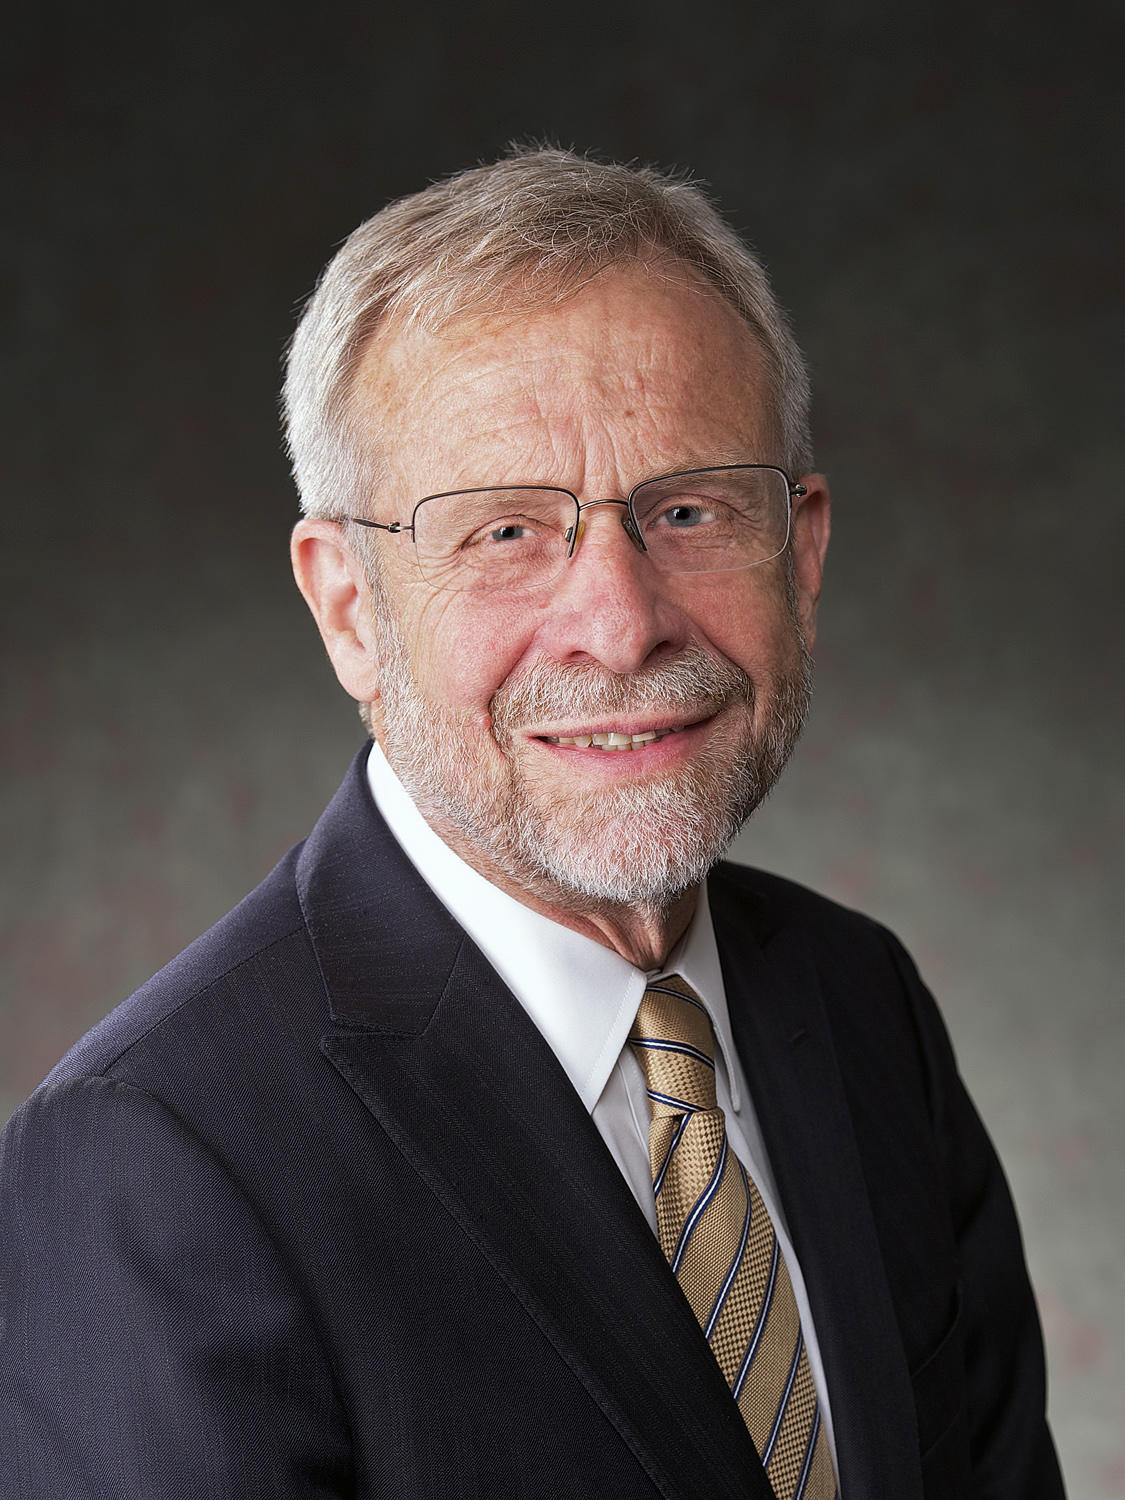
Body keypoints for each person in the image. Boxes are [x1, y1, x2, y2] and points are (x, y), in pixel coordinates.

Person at [0, 147, 1064, 1500]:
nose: (619, 622)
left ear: (798, 553)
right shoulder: (153, 1161)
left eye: (686, 510)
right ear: (348, 607)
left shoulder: (860, 1007)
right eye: (504, 532)